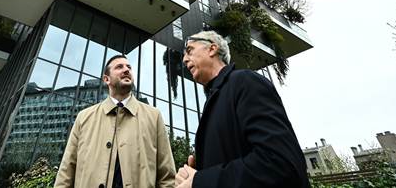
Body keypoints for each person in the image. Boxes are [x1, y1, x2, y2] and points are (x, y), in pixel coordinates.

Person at [175, 31, 309, 188]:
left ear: (212, 49)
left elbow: (281, 163)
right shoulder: (214, 101)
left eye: (190, 50)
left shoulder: (245, 82)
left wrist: (200, 181)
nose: (184, 59)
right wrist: (197, 174)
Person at [55, 54, 176, 188]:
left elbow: (167, 176)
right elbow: (66, 171)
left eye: (128, 67)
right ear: (106, 79)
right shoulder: (84, 117)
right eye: (119, 67)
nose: (126, 70)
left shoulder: (154, 116)